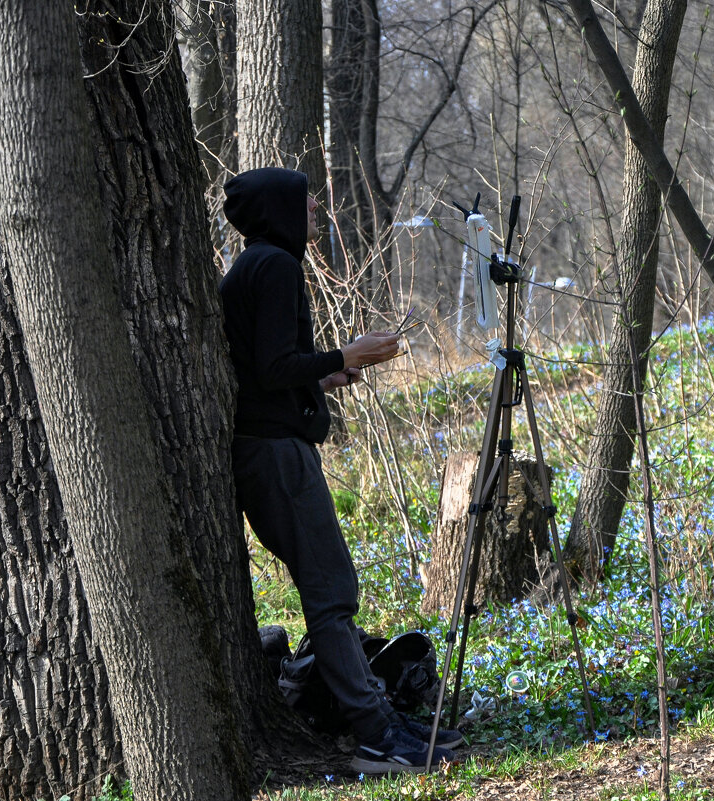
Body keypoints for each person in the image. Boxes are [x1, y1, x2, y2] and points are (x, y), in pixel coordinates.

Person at [219, 167, 462, 775]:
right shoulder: (275, 265)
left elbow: (260, 371)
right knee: (331, 592)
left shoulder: (252, 265)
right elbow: (275, 367)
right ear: (276, 209)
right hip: (276, 454)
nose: (314, 211)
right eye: (304, 201)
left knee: (330, 588)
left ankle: (378, 719)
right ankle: (377, 734)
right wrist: (345, 353)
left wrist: (323, 375)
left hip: (265, 446)